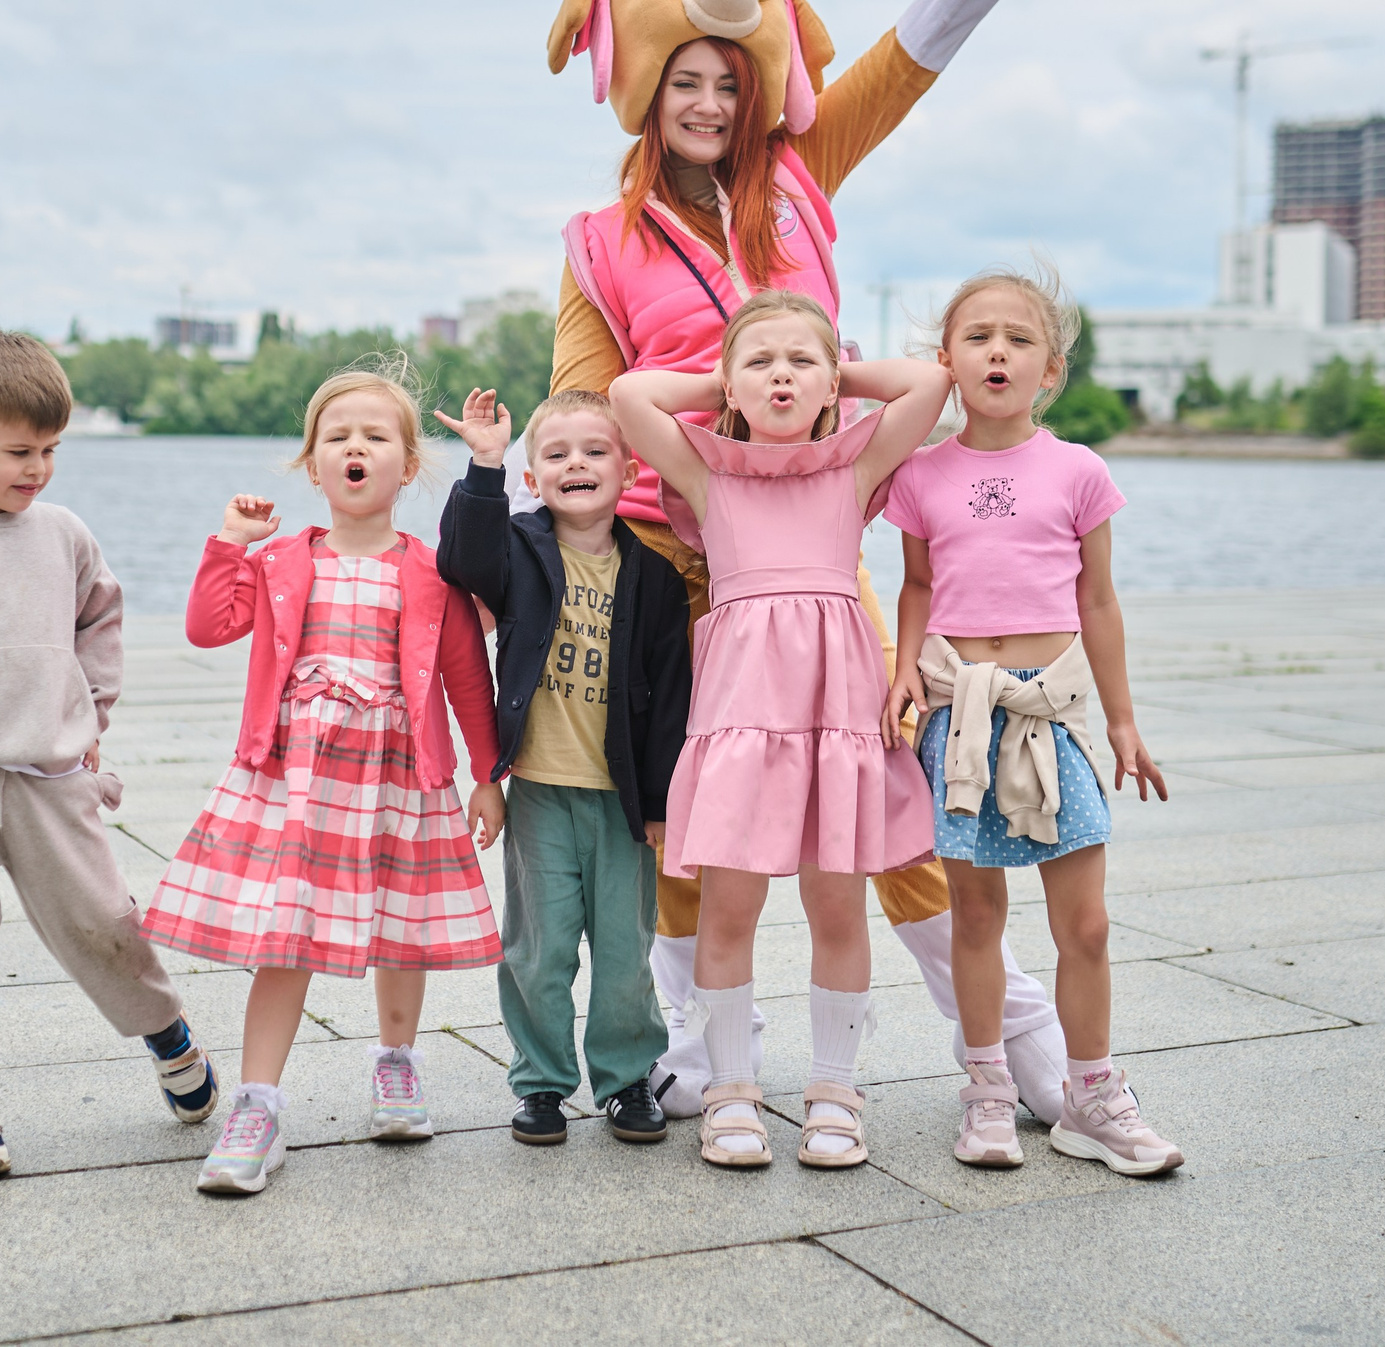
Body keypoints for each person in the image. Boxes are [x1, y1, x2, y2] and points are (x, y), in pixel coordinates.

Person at [543, 0, 1067, 1120]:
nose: (709, 99)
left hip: (826, 539)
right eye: (685, 80)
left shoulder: (809, 165)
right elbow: (584, 404)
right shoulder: (598, 242)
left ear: (756, 80)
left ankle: (1006, 1039)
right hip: (678, 549)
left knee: (880, 816)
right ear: (645, 87)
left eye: (728, 78)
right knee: (682, 816)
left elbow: (906, 55)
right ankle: (696, 1042)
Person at [0, 328, 216, 1182]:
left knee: (105, 923)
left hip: (52, 777)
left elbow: (102, 618)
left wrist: (89, 713)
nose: (38, 468)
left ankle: (166, 1032)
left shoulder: (63, 533)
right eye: (19, 451)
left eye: (51, 450)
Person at [145, 365, 503, 1196]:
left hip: (399, 771)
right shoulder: (278, 561)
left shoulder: (432, 571)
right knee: (288, 931)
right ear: (313, 465)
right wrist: (229, 541)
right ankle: (257, 1103)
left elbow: (464, 678)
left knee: (401, 924)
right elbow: (208, 626)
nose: (356, 447)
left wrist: (488, 773)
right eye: (338, 435)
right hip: (298, 776)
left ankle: (397, 1060)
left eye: (376, 436)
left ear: (406, 467)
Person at [612, 292, 951, 1169]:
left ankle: (836, 1090)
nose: (782, 375)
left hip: (835, 712)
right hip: (739, 714)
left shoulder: (853, 463)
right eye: (760, 362)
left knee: (836, 899)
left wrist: (838, 367)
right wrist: (720, 375)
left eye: (803, 360)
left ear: (832, 378)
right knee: (732, 903)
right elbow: (627, 396)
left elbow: (928, 382)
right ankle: (731, 1092)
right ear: (731, 382)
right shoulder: (707, 471)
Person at [882, 268, 1183, 1176]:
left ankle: (1091, 1096)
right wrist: (903, 674)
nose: (997, 351)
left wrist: (1123, 719)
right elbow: (920, 588)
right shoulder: (922, 474)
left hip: (1052, 715)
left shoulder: (1079, 469)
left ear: (1049, 368)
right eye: (977, 337)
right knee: (976, 913)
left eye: (1018, 338)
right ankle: (987, 1092)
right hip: (961, 715)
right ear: (946, 361)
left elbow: (1098, 599)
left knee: (1084, 923)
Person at [434, 386, 691, 1148]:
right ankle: (541, 1083)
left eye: (594, 451)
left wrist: (662, 807)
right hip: (541, 793)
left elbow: (671, 700)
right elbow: (460, 557)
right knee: (538, 951)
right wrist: (485, 463)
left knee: (624, 954)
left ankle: (625, 1080)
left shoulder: (655, 580)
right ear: (534, 477)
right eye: (556, 454)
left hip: (620, 802)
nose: (575, 463)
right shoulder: (518, 548)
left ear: (628, 468)